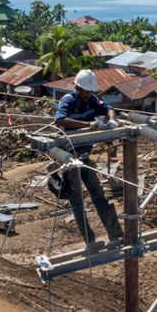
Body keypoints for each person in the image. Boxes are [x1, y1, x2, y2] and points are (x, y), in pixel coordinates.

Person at [53, 69, 123, 248]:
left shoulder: (92, 99)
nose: (87, 94)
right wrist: (88, 125)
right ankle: (91, 242)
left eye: (90, 91)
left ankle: (116, 235)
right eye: (85, 91)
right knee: (77, 201)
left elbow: (108, 108)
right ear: (77, 87)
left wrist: (112, 119)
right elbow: (60, 120)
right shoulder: (67, 101)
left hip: (84, 157)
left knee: (99, 194)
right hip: (70, 159)